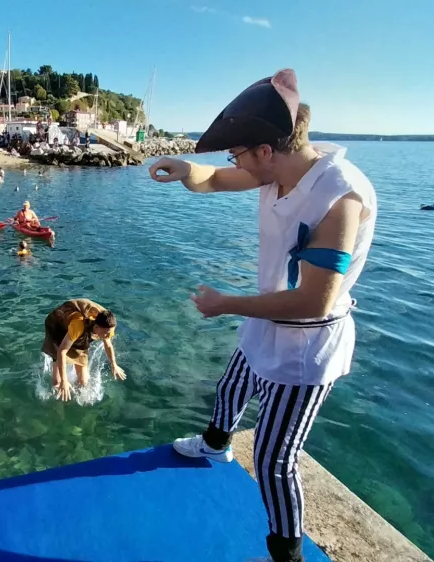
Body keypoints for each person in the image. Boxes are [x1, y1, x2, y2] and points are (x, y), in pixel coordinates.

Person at [149, 69, 377, 562]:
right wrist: (185, 168)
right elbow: (214, 180)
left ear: (267, 151)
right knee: (233, 385)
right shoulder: (275, 173)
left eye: (239, 153)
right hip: (268, 318)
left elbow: (314, 301)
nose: (237, 163)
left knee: (275, 459)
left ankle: (287, 556)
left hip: (308, 342)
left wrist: (225, 303)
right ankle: (215, 445)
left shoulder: (340, 198)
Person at [41, 299, 126, 401]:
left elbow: (108, 345)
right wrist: (64, 380)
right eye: (106, 333)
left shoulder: (108, 326)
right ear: (97, 327)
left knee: (84, 382)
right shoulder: (78, 325)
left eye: (110, 333)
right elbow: (62, 351)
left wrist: (114, 364)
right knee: (58, 383)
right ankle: (60, 402)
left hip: (81, 330)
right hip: (58, 325)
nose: (109, 336)